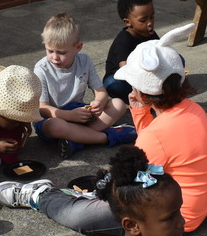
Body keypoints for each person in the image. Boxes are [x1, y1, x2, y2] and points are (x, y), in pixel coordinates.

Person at [0, 24, 207, 236]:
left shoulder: (156, 135)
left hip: (170, 218)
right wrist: (140, 111)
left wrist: (103, 191)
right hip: (194, 206)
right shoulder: (192, 109)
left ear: (142, 91)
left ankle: (39, 195)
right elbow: (155, 152)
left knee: (79, 215)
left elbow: (132, 184)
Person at [33, 13, 137, 158]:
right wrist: (68, 115)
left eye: (62, 52)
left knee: (118, 104)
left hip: (78, 112)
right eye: (50, 51)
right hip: (53, 118)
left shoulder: (84, 61)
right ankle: (106, 137)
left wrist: (98, 103)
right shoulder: (41, 68)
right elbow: (42, 108)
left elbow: (100, 92)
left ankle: (77, 140)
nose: (55, 57)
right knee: (57, 126)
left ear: (78, 47)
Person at [103, 0, 160, 100]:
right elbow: (126, 69)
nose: (150, 23)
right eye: (143, 20)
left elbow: (162, 52)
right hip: (124, 78)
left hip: (146, 73)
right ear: (127, 22)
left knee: (178, 59)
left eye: (152, 17)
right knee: (113, 85)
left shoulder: (150, 33)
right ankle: (143, 97)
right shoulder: (124, 40)